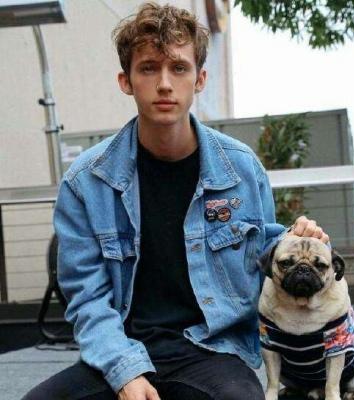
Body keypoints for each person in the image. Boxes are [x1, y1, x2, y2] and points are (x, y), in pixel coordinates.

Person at [23, 3, 329, 400]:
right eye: (149, 68)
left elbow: (264, 254)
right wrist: (124, 373)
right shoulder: (86, 181)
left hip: (211, 349)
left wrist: (299, 239)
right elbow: (87, 298)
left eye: (179, 68)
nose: (165, 84)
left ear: (199, 79)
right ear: (126, 81)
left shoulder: (240, 168)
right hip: (121, 346)